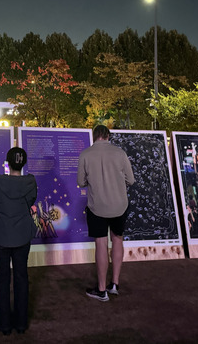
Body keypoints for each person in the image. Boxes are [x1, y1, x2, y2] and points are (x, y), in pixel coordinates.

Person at [77, 125, 135, 302]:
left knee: (101, 244)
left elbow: (81, 182)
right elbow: (131, 180)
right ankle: (115, 284)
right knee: (117, 239)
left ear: (94, 136)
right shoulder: (120, 153)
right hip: (120, 206)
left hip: (97, 207)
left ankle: (102, 290)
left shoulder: (85, 154)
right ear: (108, 136)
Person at [0, 147, 37, 335]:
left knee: (2, 278)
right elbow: (30, 202)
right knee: (22, 278)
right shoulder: (31, 182)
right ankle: (21, 324)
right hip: (22, 235)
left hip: (0, 236)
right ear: (23, 163)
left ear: (7, 163)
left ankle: (5, 325)